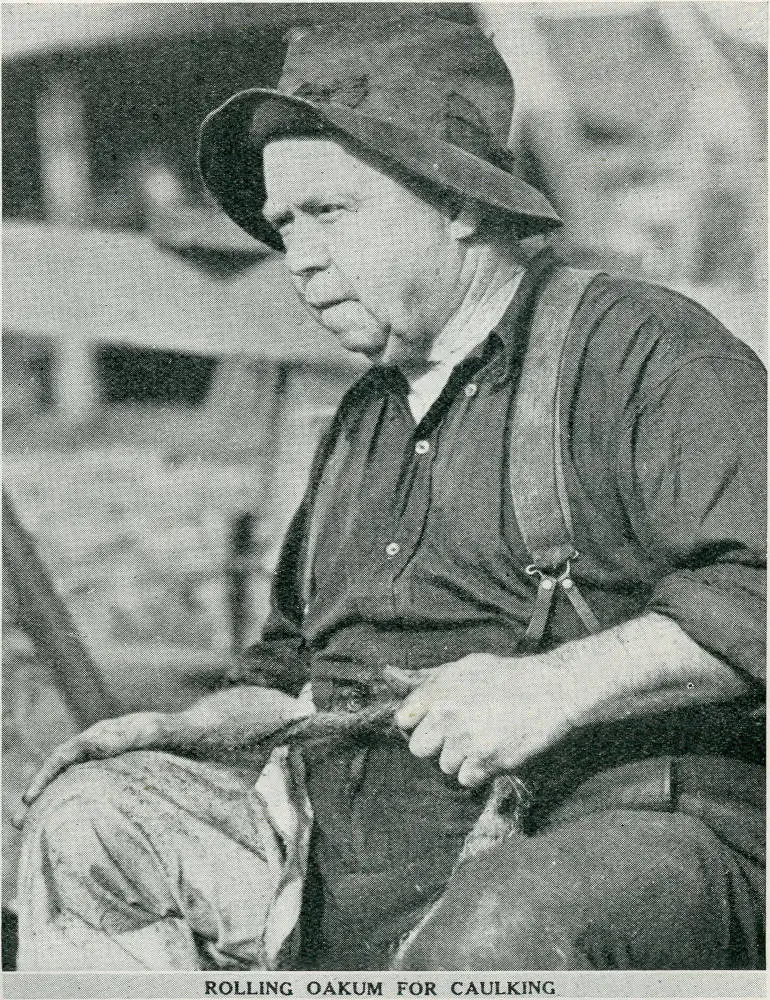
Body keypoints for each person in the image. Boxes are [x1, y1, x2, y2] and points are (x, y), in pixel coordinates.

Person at [16, 13, 765, 972]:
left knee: (499, 929)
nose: (301, 259)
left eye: (330, 213)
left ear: (457, 201)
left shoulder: (639, 352)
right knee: (95, 825)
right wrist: (196, 732)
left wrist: (557, 684)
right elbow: (290, 669)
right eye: (285, 227)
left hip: (614, 839)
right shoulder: (366, 418)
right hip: (357, 859)